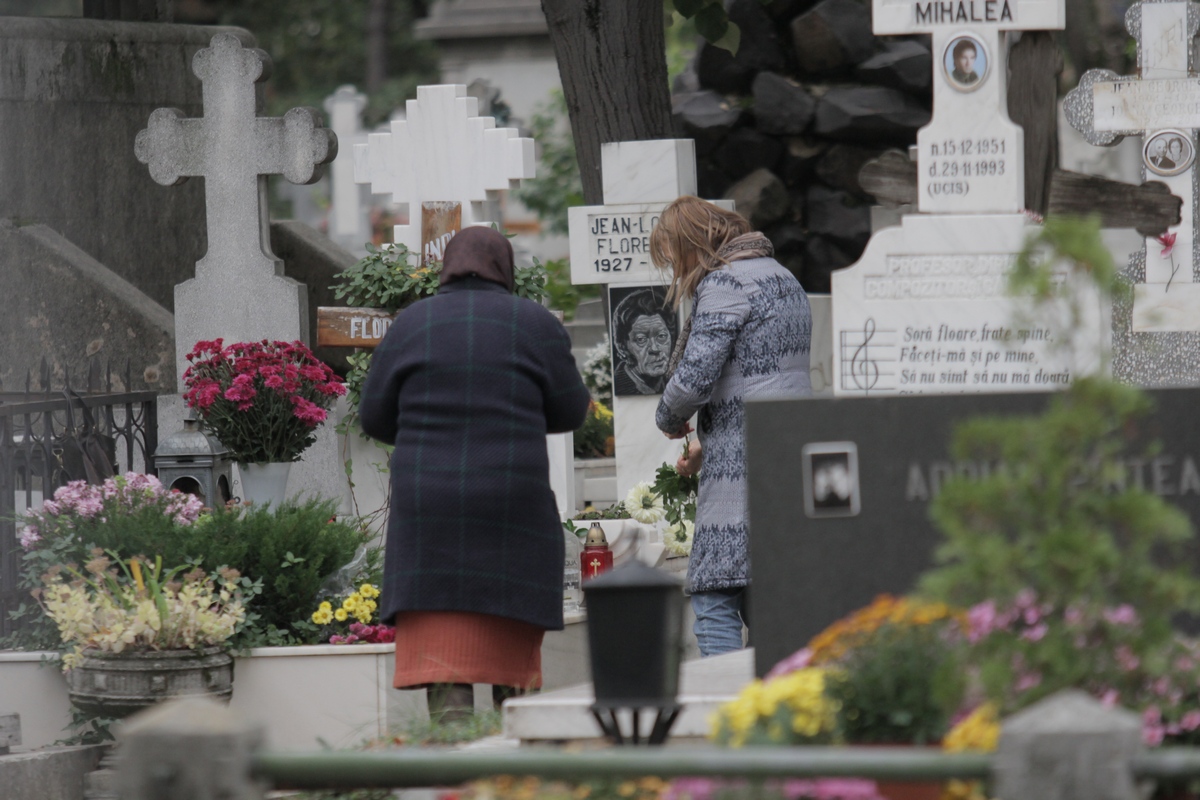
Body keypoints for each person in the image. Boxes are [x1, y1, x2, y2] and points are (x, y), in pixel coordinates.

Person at [359, 226, 590, 720]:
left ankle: (453, 747)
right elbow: (571, 411)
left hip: (428, 512)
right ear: (505, 268)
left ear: (445, 268)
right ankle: (514, 744)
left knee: (443, 651)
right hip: (511, 503)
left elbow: (374, 417)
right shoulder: (533, 323)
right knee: (511, 647)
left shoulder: (410, 324)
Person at [649, 196, 812, 657]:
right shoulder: (784, 278)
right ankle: (771, 704)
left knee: (713, 594)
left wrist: (670, 416)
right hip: (786, 453)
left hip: (743, 465)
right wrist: (708, 444)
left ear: (692, 243)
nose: (675, 271)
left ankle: (724, 706)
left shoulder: (725, 283)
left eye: (673, 256)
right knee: (767, 596)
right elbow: (764, 379)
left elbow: (696, 376)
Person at [611, 288, 677, 395]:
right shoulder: (619, 387)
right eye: (641, 339)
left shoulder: (675, 382)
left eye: (661, 336)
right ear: (623, 346)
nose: (654, 348)